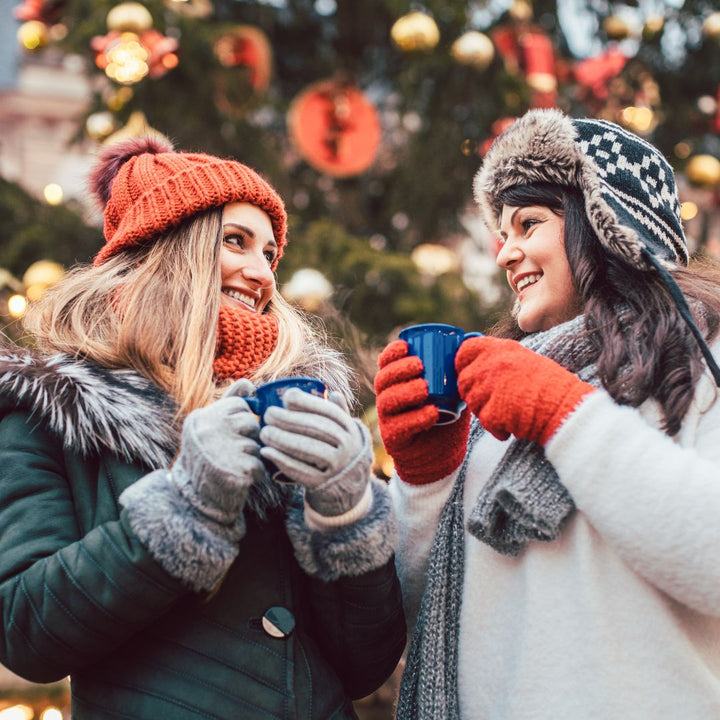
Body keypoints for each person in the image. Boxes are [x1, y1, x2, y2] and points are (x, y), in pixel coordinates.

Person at [0, 136, 405, 720]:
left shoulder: (299, 409)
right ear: (166, 250)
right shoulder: (56, 411)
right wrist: (186, 505)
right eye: (235, 241)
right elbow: (24, 632)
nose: (261, 271)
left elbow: (365, 666)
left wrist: (345, 512)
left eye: (270, 253)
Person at [374, 108, 720, 720]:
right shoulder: (494, 401)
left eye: (528, 223)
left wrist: (566, 416)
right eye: (500, 233)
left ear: (607, 226)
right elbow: (425, 617)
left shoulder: (701, 360)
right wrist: (424, 482)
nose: (507, 253)